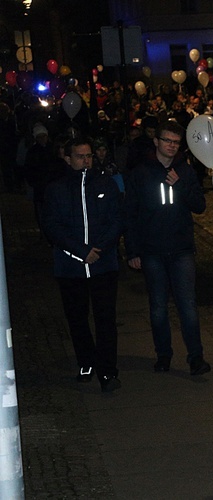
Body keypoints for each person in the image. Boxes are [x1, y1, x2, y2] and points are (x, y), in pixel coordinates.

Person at [125, 120, 211, 375]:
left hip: (181, 249)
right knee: (158, 307)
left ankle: (196, 357)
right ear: (156, 142)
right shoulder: (140, 173)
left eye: (176, 142)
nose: (172, 146)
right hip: (152, 250)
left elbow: (199, 205)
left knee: (187, 306)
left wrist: (180, 185)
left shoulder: (185, 171)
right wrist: (132, 251)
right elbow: (130, 214)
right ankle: (163, 355)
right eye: (167, 141)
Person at [43, 137, 123, 392]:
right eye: (80, 156)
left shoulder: (106, 184)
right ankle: (85, 361)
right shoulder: (56, 189)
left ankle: (108, 371)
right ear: (68, 159)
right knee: (77, 318)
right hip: (70, 268)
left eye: (89, 156)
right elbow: (53, 226)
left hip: (103, 265)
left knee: (105, 319)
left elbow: (117, 219)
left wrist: (99, 249)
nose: (86, 160)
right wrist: (81, 251)